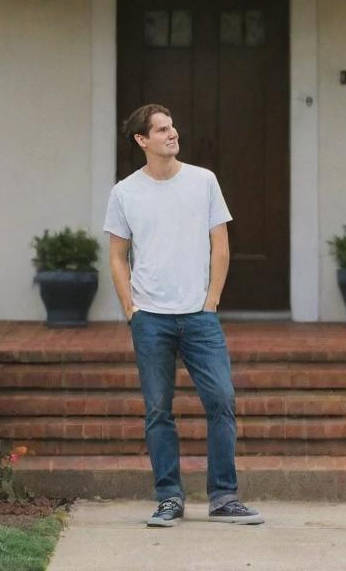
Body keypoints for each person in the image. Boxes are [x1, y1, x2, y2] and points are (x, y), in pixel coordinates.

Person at [104, 103, 264, 528]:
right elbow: (118, 256)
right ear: (142, 140)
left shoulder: (203, 182)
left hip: (199, 316)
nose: (172, 134)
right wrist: (130, 308)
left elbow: (221, 245)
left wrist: (211, 300)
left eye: (172, 127)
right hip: (150, 318)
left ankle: (224, 497)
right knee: (158, 410)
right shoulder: (125, 192)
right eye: (161, 130)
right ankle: (169, 498)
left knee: (222, 402)